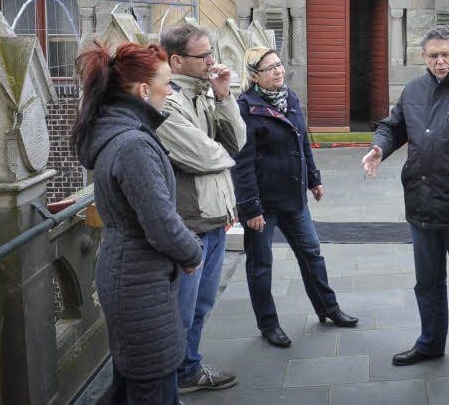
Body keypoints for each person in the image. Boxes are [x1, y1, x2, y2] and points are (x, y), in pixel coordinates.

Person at [72, 41, 203, 405]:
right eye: (167, 83)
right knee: (152, 386)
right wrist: (193, 252)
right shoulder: (133, 145)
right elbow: (160, 222)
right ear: (144, 91)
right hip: (139, 284)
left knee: (133, 383)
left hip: (131, 274)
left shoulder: (123, 135)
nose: (172, 90)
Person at [362, 25, 449, 395]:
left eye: (446, 54)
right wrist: (379, 148)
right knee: (427, 284)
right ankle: (430, 343)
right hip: (420, 206)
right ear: (423, 56)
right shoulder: (414, 90)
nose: (440, 61)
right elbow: (394, 125)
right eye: (433, 55)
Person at [232, 46, 358, 347]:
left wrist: (313, 179)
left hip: (294, 198)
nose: (278, 71)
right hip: (262, 204)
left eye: (279, 65)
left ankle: (329, 308)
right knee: (261, 265)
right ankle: (268, 324)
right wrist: (250, 208)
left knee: (312, 254)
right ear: (253, 76)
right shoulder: (245, 108)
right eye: (269, 68)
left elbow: (301, 144)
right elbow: (242, 162)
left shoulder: (290, 98)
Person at [157, 24, 245, 394]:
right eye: (204, 55)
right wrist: (223, 157)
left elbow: (238, 141)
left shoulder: (205, 95)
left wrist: (224, 97)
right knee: (181, 308)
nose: (213, 60)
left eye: (212, 52)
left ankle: (188, 369)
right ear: (176, 60)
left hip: (214, 219)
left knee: (202, 303)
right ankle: (171, 377)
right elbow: (202, 155)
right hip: (189, 223)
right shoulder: (166, 101)